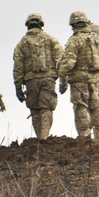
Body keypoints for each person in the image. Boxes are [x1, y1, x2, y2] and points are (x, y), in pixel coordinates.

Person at [12, 13, 63, 141]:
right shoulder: (51, 39)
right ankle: (44, 136)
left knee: (34, 109)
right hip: (48, 78)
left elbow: (18, 67)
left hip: (31, 81)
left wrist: (18, 87)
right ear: (41, 24)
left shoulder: (21, 43)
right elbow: (60, 60)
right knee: (46, 107)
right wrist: (63, 79)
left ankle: (39, 137)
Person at [58, 11, 99, 141]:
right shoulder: (96, 39)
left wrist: (62, 79)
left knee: (81, 107)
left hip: (79, 80)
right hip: (95, 79)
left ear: (73, 24)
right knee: (96, 106)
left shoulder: (75, 40)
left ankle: (85, 136)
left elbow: (68, 63)